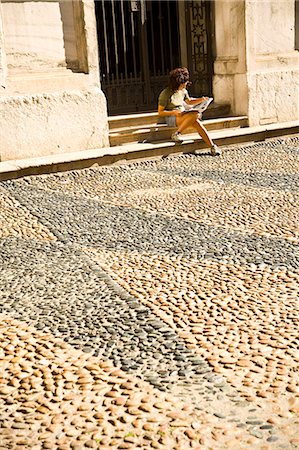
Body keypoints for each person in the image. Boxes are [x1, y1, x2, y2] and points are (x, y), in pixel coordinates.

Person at [158, 67, 221, 156]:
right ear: (177, 83)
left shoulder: (183, 91)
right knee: (195, 116)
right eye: (183, 83)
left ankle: (212, 146)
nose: (185, 85)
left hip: (183, 114)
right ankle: (177, 134)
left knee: (197, 122)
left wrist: (202, 99)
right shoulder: (165, 93)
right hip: (172, 117)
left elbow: (189, 101)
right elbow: (160, 112)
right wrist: (174, 112)